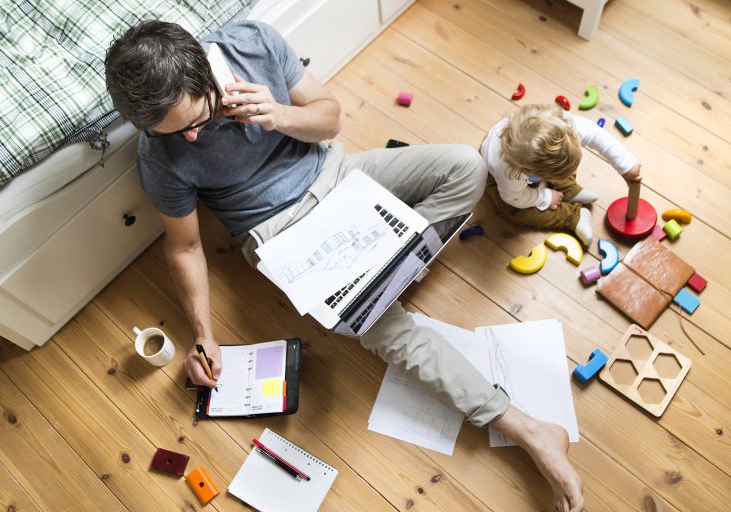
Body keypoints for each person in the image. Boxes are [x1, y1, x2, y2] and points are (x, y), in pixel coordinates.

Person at [104, 20, 584, 511]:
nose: (190, 136)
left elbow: (329, 118)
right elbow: (184, 247)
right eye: (174, 132)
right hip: (280, 232)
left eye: (197, 120)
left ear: (206, 73)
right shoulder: (159, 154)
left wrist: (278, 115)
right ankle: (526, 427)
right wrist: (203, 334)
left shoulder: (250, 43)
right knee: (373, 322)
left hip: (338, 174)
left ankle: (384, 277)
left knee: (466, 166)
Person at [480, 103, 642, 246]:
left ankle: (568, 188)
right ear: (535, 173)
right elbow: (515, 198)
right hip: (500, 179)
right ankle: (571, 217)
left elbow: (595, 134)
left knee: (565, 160)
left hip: (533, 163)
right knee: (513, 212)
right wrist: (544, 197)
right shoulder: (509, 174)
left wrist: (625, 164)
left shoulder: (563, 125)